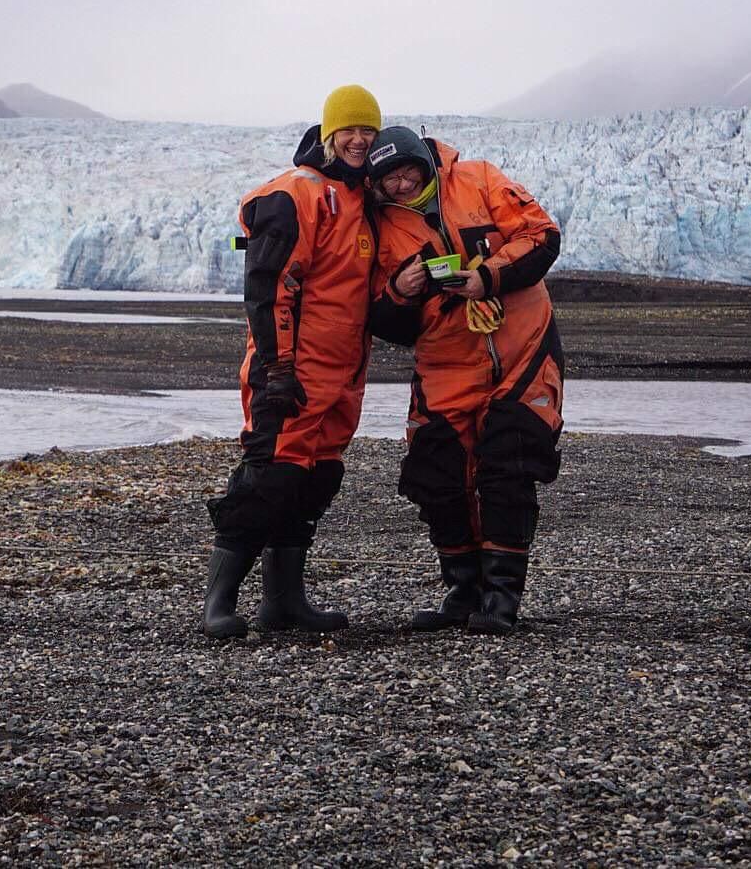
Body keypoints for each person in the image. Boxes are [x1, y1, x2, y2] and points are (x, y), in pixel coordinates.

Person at [365, 125, 563, 634]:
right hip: (446, 363)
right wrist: (400, 289)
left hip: (522, 346)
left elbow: (541, 235)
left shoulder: (477, 180)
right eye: (388, 180)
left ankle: (501, 599)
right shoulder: (383, 227)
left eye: (406, 170)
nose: (402, 184)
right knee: (437, 473)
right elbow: (387, 322)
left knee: (509, 463)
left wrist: (487, 276)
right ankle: (462, 590)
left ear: (423, 160)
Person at [202, 84, 382, 638]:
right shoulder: (298, 193)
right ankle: (219, 602)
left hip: (342, 372)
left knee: (316, 478)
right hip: (292, 369)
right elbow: (270, 285)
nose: (358, 140)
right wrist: (276, 367)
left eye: (367, 130)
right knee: (269, 477)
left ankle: (282, 601)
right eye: (347, 130)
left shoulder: (362, 196)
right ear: (328, 135)